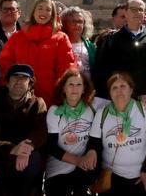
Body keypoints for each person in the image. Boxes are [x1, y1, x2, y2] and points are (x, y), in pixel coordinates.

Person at [91, 72, 146, 195]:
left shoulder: (144, 109)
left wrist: (145, 171)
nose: (119, 91)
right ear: (110, 93)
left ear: (131, 90)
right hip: (112, 177)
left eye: (123, 86)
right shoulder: (101, 114)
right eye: (114, 88)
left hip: (142, 176)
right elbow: (94, 144)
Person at [0, 0, 77, 102]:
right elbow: (5, 64)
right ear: (33, 12)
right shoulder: (17, 37)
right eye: (40, 8)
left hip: (51, 97)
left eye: (48, 10)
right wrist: (8, 87)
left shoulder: (61, 38)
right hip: (19, 97)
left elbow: (66, 68)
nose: (43, 12)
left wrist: (62, 94)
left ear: (52, 14)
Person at [0, 63, 48, 196]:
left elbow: (41, 131)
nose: (18, 81)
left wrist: (26, 147)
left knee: (33, 161)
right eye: (14, 77)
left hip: (26, 156)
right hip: (0, 151)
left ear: (30, 84)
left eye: (24, 78)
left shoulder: (37, 103)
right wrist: (12, 148)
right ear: (7, 83)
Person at [44, 68, 99, 196]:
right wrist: (77, 161)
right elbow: (51, 147)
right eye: (71, 84)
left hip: (82, 169)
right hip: (58, 170)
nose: (75, 88)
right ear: (63, 88)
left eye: (79, 84)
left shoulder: (90, 109)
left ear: (84, 88)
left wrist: (143, 99)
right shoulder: (55, 111)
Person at [92, 0, 146, 101]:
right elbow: (101, 71)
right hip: (117, 98)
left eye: (141, 10)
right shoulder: (110, 40)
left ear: (145, 14)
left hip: (144, 98)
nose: (137, 13)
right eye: (133, 9)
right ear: (126, 12)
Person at [60, 6, 95, 77]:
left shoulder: (91, 46)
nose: (77, 25)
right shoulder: (60, 45)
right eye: (73, 21)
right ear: (65, 23)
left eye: (80, 21)